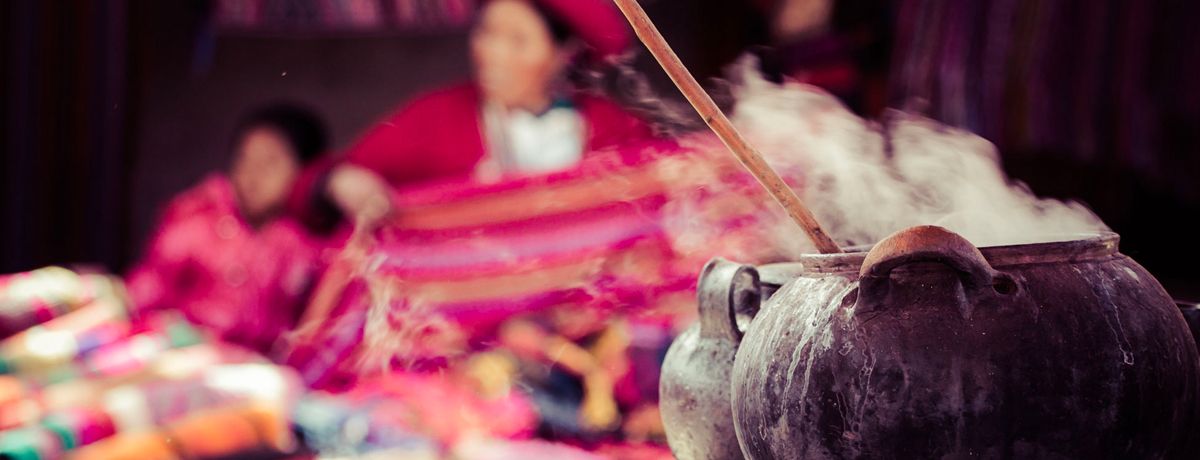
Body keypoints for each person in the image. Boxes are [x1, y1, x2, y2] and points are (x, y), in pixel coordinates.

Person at [291, 0, 656, 231]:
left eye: (517, 40)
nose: (493, 53)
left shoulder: (616, 129)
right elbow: (310, 186)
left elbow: (663, 199)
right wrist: (338, 183)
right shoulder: (435, 118)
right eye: (486, 32)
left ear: (566, 53)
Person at [126, 104, 330, 355]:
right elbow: (146, 291)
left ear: (306, 174)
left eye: (270, 163)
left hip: (259, 375)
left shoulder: (307, 242)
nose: (253, 175)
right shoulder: (198, 219)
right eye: (245, 159)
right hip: (183, 357)